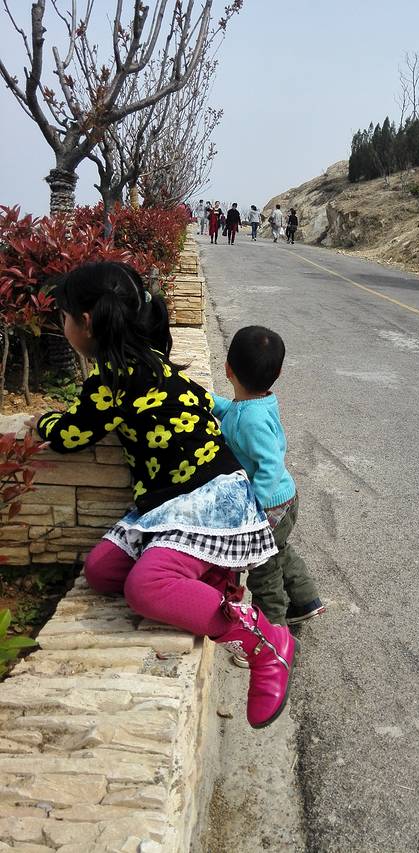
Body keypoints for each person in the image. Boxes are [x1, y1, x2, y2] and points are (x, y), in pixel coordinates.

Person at [33, 262, 297, 729]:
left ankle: (264, 643)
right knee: (101, 571)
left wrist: (44, 422)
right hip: (169, 502)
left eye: (65, 316)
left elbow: (69, 435)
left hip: (211, 500)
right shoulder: (154, 363)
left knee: (144, 586)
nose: (64, 324)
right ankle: (215, 585)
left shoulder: (109, 382)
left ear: (87, 322)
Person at [212, 326, 325, 640]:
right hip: (283, 500)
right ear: (276, 373)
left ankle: (270, 637)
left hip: (270, 505)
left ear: (227, 369)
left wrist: (254, 507)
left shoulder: (251, 419)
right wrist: (207, 400)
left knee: (263, 572)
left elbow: (270, 464)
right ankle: (305, 600)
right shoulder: (256, 405)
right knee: (279, 552)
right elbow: (232, 410)